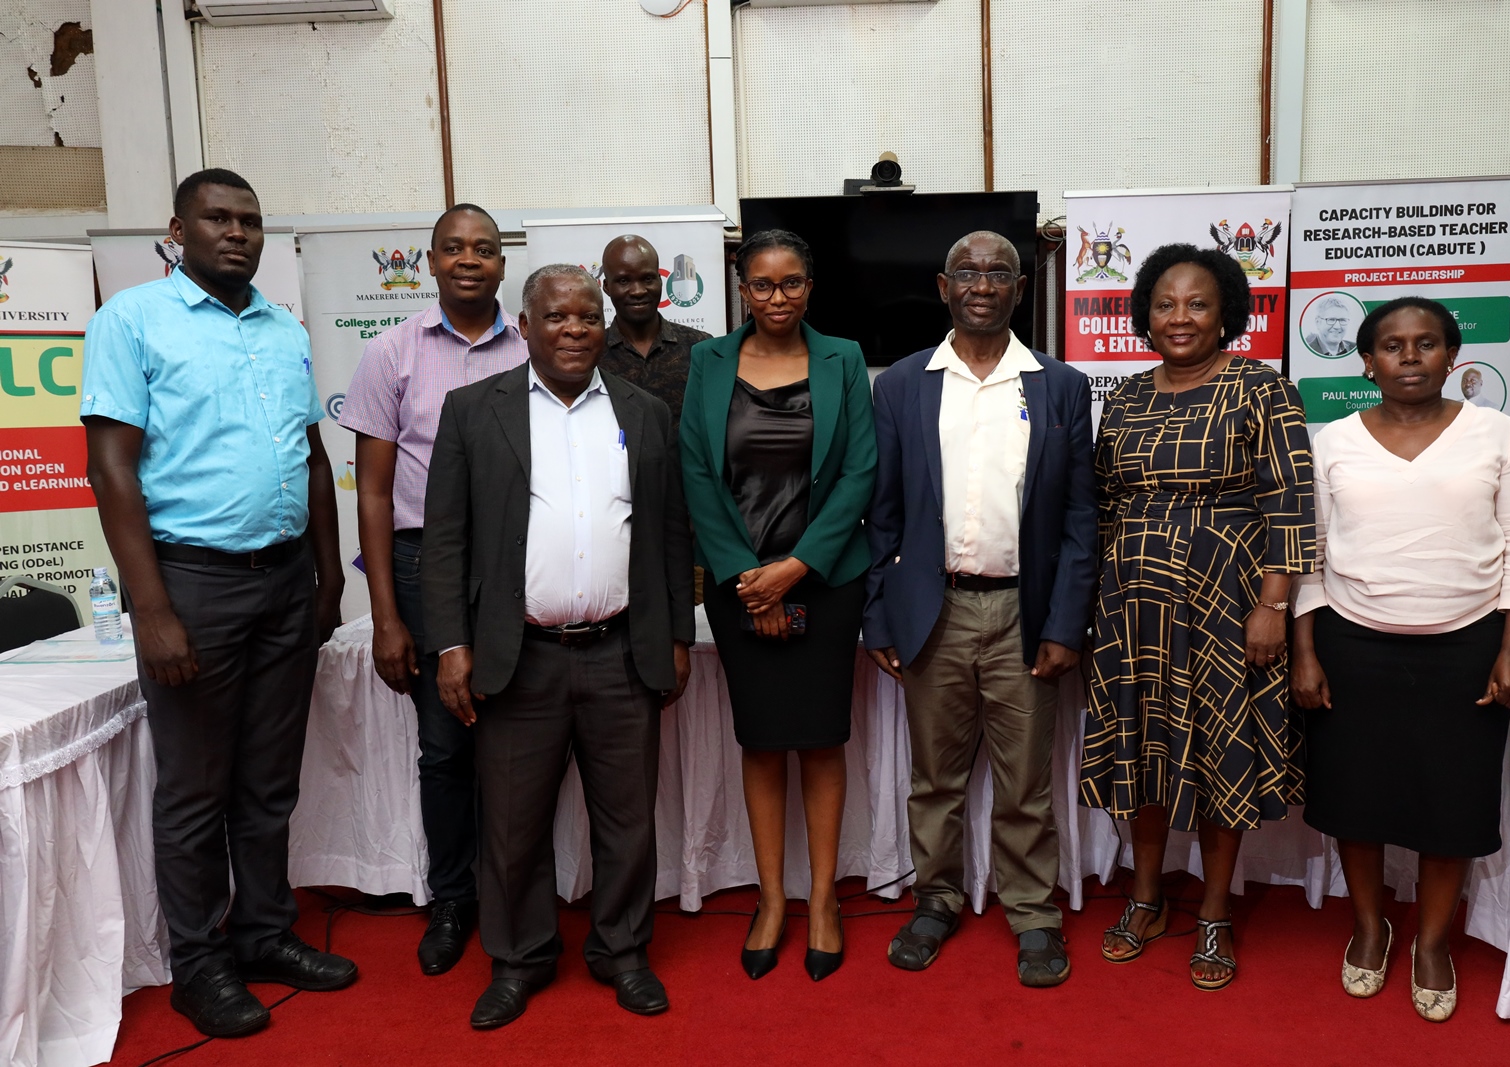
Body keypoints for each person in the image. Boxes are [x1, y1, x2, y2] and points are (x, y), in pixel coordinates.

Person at [81, 168, 354, 1038]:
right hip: (191, 581)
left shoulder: (282, 330)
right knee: (195, 788)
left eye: (250, 220)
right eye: (218, 218)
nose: (237, 233)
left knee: (268, 783)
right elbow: (112, 468)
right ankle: (199, 963)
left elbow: (312, 459)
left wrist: (329, 575)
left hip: (285, 582)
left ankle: (266, 934)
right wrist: (151, 607)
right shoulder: (131, 321)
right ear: (178, 228)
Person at [421, 264, 694, 1028]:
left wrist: (675, 634)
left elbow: (670, 532)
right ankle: (519, 958)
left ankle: (623, 950)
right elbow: (444, 540)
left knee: (628, 817)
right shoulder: (475, 409)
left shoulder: (643, 412)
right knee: (511, 823)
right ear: (526, 324)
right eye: (557, 317)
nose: (574, 329)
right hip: (519, 655)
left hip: (620, 652)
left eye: (587, 316)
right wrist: (450, 644)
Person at [1290, 297, 1510, 1022]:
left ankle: (1432, 943)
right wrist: (1305, 651)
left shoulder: (1494, 433)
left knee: (1452, 804)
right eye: (1392, 345)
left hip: (1466, 645)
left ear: (1451, 357)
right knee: (1355, 800)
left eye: (1426, 343)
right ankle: (1371, 927)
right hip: (1352, 643)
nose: (1409, 356)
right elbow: (1307, 555)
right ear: (1366, 361)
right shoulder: (1331, 440)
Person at [863, 230, 1096, 988]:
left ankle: (1032, 912)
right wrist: (878, 615)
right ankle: (936, 898)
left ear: (1021, 289)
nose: (983, 283)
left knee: (1025, 779)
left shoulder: (1060, 386)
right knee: (936, 777)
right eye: (968, 271)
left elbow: (1079, 520)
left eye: (1000, 272)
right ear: (943, 286)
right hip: (935, 611)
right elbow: (883, 515)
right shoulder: (901, 383)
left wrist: (1066, 622)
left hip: (1024, 614)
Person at [1081, 242, 1315, 991]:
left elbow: (1290, 500)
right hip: (1133, 608)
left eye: (1198, 303)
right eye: (1165, 303)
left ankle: (1214, 909)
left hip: (1228, 603)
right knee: (1144, 748)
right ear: (1145, 314)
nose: (1179, 317)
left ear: (1227, 315)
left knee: (1223, 749)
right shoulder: (1123, 397)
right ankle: (1146, 895)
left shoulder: (1261, 388)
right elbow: (1104, 504)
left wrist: (1273, 603)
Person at [679, 229, 876, 983]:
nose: (777, 298)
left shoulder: (845, 357)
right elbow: (698, 473)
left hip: (826, 581)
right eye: (761, 285)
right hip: (737, 585)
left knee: (821, 741)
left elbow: (860, 470)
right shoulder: (708, 362)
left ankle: (823, 900)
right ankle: (770, 900)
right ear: (740, 288)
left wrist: (793, 569)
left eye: (791, 283)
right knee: (761, 741)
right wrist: (747, 576)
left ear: (810, 287)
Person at [338, 203, 526, 976]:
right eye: (454, 248)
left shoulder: (533, 346)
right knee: (445, 744)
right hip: (424, 567)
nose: (470, 260)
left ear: (502, 265)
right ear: (431, 262)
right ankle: (453, 898)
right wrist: (385, 614)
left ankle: (517, 893)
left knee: (518, 738)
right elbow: (374, 494)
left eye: (484, 248)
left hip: (518, 563)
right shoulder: (391, 353)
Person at [598, 234, 712, 434]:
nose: (638, 291)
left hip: (685, 465)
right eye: (624, 280)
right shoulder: (592, 354)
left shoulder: (699, 347)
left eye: (648, 278)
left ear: (660, 280)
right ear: (607, 287)